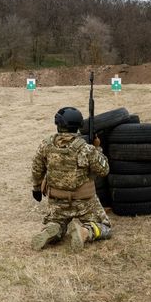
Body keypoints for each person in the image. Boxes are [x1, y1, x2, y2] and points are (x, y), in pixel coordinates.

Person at [30, 107, 112, 252]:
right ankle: (85, 232)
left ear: (58, 124)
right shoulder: (86, 149)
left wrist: (36, 188)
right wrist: (97, 149)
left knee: (55, 222)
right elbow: (104, 170)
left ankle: (52, 229)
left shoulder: (46, 145)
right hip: (84, 203)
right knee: (105, 227)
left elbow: (37, 169)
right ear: (78, 125)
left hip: (57, 202)